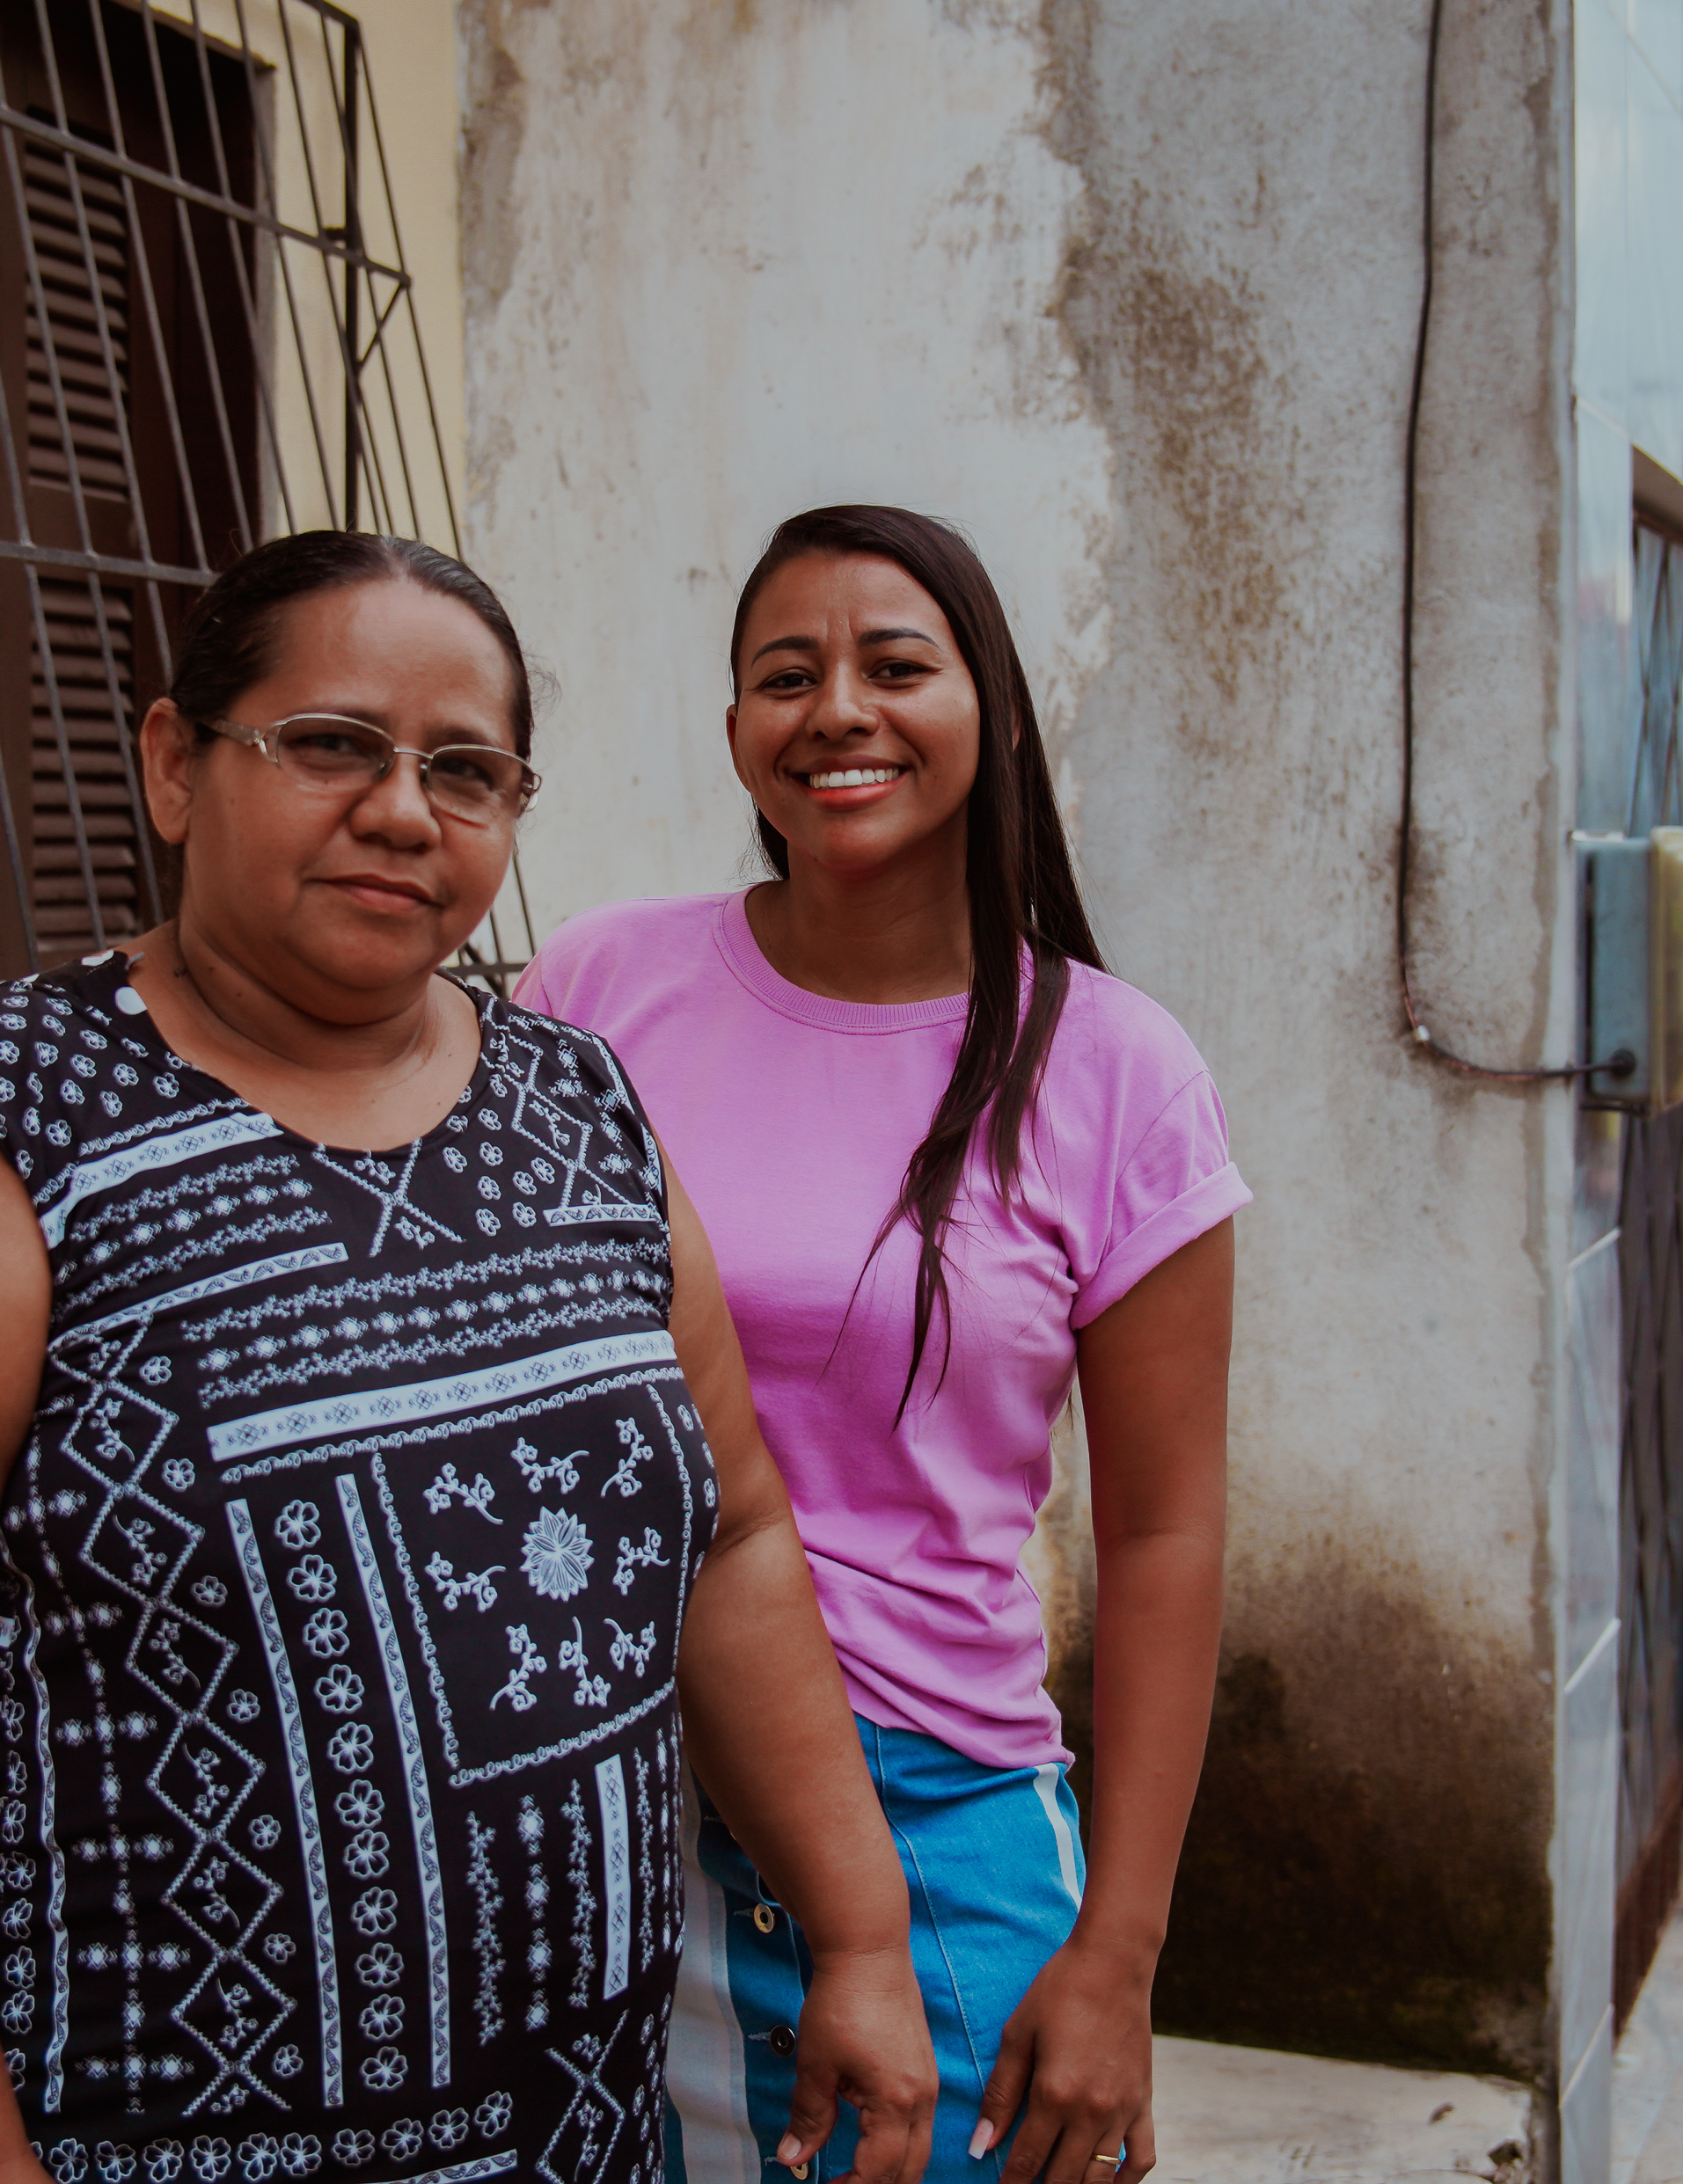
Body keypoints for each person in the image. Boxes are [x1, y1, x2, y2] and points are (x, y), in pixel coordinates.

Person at [0, 534, 937, 2184]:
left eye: (467, 771)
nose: (405, 810)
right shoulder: (3, 1125)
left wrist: (857, 1926)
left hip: (579, 2133)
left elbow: (731, 1532)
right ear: (172, 766)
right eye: (332, 743)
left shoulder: (577, 1106)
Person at [512, 507, 1240, 2184]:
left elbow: (1163, 1535)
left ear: (986, 704)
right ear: (737, 734)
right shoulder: (597, 987)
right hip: (584, 1795)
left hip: (928, 1813)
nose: (838, 708)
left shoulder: (1116, 1068)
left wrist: (1119, 1957)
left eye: (895, 664)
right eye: (788, 674)